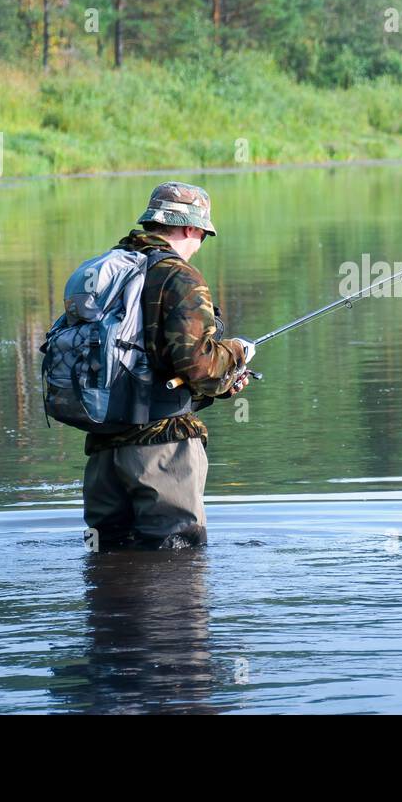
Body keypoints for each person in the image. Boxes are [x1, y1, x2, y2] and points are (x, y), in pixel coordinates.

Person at [82, 182, 254, 550]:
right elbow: (200, 367)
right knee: (177, 564)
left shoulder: (110, 269)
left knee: (107, 563)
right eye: (203, 235)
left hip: (103, 449)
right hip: (162, 449)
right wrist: (237, 353)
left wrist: (226, 384)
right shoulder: (179, 276)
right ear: (192, 228)